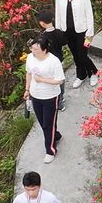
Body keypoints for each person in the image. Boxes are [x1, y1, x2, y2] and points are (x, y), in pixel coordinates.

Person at [23, 35, 65, 164]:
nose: (33, 51)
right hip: (35, 95)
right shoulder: (30, 58)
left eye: (36, 49)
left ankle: (50, 150)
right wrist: (27, 89)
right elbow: (29, 73)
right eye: (33, 48)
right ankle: (55, 135)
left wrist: (42, 80)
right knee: (42, 122)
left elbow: (59, 80)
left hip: (50, 97)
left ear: (45, 49)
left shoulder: (53, 61)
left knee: (48, 124)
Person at [54, 0, 98, 89]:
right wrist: (58, 30)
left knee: (82, 54)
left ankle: (94, 72)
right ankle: (81, 75)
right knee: (75, 55)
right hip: (67, 31)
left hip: (82, 32)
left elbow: (89, 14)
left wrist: (90, 32)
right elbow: (57, 12)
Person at [36, 7, 67, 111]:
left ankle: (54, 100)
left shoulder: (44, 37)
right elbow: (63, 42)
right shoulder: (59, 32)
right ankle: (61, 100)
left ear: (42, 23)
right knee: (60, 81)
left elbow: (43, 50)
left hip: (50, 63)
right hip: (60, 60)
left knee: (52, 83)